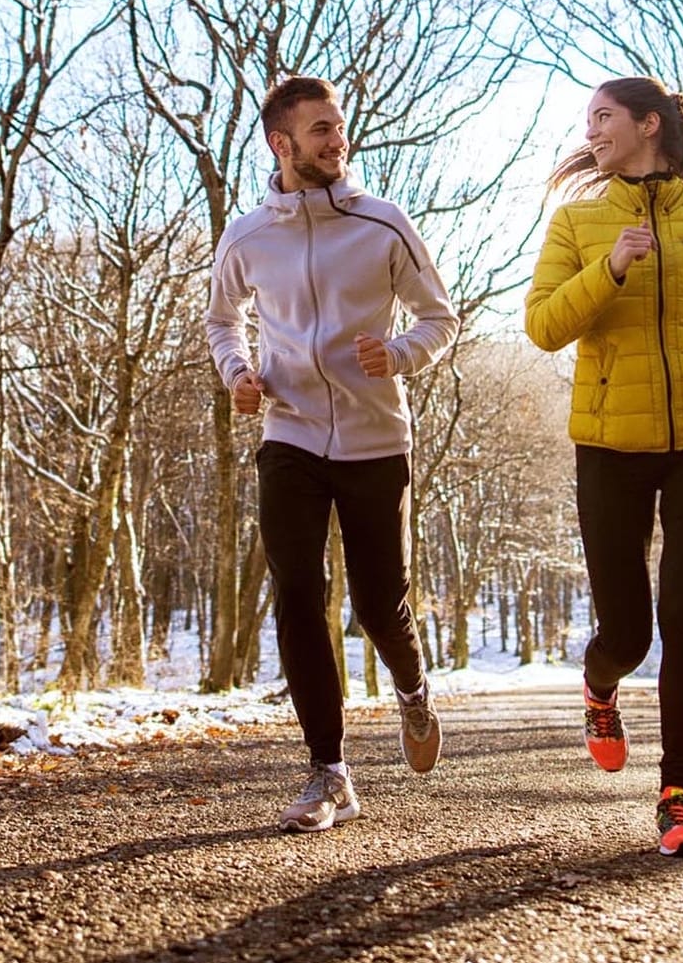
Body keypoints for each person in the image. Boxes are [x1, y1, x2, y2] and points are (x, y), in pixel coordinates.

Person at [523, 76, 683, 858]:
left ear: (647, 124)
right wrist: (607, 268)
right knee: (630, 632)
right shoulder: (577, 222)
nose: (592, 131)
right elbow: (541, 326)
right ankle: (600, 685)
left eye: (603, 116)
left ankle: (678, 791)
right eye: (589, 121)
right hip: (608, 444)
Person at [206, 75, 460, 833]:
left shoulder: (384, 225)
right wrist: (240, 373)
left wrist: (400, 352)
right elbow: (222, 320)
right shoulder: (248, 235)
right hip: (288, 433)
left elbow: (440, 317)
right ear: (281, 145)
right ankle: (329, 770)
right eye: (319, 129)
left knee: (380, 603)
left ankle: (411, 688)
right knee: (297, 593)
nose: (336, 140)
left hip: (376, 437)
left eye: (338, 126)